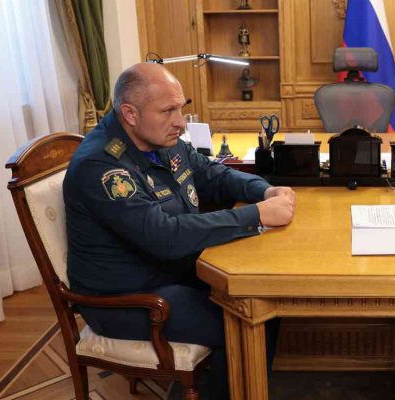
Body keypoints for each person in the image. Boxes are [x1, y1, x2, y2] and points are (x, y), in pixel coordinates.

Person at [63, 63, 295, 399]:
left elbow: (213, 175)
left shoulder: (158, 137)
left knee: (264, 299)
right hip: (128, 298)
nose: (180, 122)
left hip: (172, 272)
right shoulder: (101, 166)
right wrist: (256, 215)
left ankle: (238, 388)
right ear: (129, 114)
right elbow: (165, 237)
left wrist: (265, 190)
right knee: (249, 319)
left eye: (181, 108)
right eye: (168, 111)